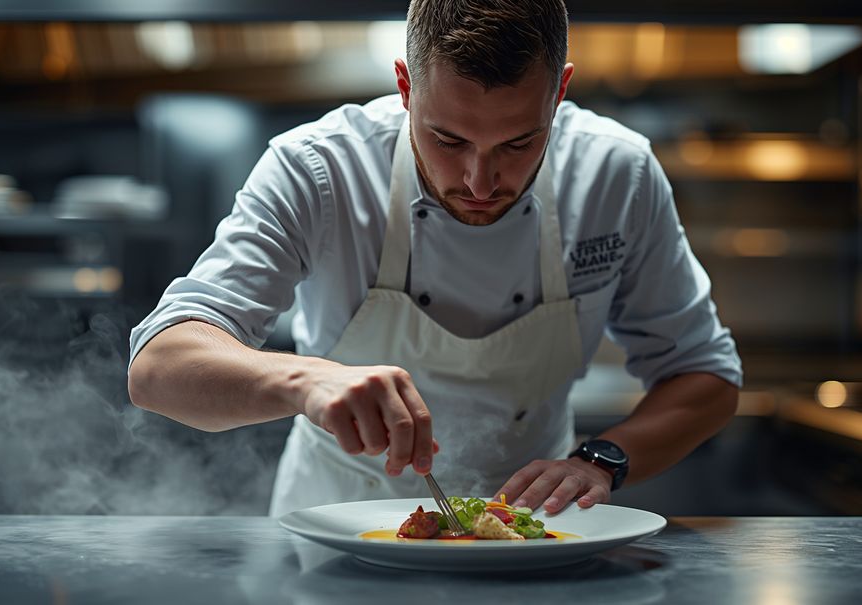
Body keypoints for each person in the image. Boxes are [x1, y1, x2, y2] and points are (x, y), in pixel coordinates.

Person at [127, 0, 742, 518]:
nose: (480, 181)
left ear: (559, 91)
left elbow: (705, 374)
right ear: (405, 86)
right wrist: (305, 380)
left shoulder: (616, 174)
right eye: (448, 139)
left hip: (535, 539)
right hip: (335, 539)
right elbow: (158, 366)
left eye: (519, 142)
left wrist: (600, 461)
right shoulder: (318, 169)